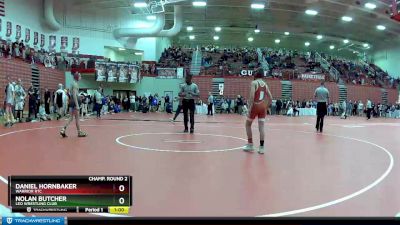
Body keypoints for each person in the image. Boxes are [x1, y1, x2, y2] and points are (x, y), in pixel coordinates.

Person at [243, 69, 272, 154]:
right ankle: (262, 148)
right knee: (261, 127)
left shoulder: (254, 83)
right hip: (262, 107)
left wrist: (249, 108)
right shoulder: (265, 84)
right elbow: (271, 97)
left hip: (255, 106)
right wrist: (266, 107)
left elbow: (252, 97)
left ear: (256, 74)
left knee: (248, 124)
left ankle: (250, 144)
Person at [60, 72, 87, 138]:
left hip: (72, 101)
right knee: (77, 118)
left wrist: (80, 96)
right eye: (80, 76)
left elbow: (74, 94)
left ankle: (63, 129)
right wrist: (77, 105)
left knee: (71, 117)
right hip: (75, 102)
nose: (81, 77)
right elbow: (74, 95)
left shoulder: (72, 83)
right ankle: (79, 132)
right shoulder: (75, 84)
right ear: (77, 77)